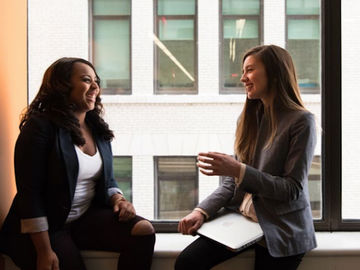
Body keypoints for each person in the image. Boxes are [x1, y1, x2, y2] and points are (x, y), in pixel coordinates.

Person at [0, 57, 155, 270]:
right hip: (47, 228)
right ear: (62, 86)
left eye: (96, 81)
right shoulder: (40, 127)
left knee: (143, 230)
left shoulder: (97, 128)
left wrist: (118, 198)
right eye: (86, 80)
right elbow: (30, 194)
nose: (95, 87)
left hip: (83, 219)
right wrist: (44, 251)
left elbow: (107, 179)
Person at [176, 45, 317, 270]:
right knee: (187, 263)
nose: (243, 78)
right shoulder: (250, 117)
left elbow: (291, 189)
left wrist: (238, 170)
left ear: (274, 72)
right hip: (244, 222)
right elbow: (233, 182)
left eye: (250, 70)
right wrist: (201, 211)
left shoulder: (301, 121)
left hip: (282, 227)